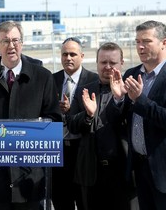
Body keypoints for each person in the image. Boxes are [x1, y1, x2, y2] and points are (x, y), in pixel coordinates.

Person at [0, 20, 61, 210]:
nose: (11, 46)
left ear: (22, 43)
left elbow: (54, 120)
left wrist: (29, 134)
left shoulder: (42, 76)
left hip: (30, 175)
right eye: (5, 41)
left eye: (16, 40)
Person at [67, 42, 133, 210]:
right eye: (103, 62)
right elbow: (72, 125)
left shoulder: (130, 90)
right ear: (96, 63)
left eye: (113, 63)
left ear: (122, 63)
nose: (108, 67)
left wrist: (119, 99)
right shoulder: (84, 91)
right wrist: (88, 115)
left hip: (122, 171)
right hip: (90, 172)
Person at [109, 20, 166, 210]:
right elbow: (118, 120)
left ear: (164, 43)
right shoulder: (132, 75)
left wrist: (140, 100)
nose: (140, 47)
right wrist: (117, 99)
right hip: (139, 169)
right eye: (137, 41)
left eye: (147, 41)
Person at [52, 37, 98, 210]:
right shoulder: (52, 79)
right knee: (61, 201)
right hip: (58, 151)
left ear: (82, 55)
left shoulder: (94, 80)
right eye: (65, 54)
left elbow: (94, 115)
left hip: (83, 151)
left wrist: (70, 111)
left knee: (85, 201)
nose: (68, 58)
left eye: (73, 54)